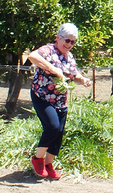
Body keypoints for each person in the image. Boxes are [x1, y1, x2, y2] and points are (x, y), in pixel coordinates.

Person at [29, 23, 92, 180]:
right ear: (58, 38)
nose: (69, 44)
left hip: (60, 100)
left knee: (58, 134)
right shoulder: (48, 50)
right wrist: (53, 68)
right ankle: (38, 159)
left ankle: (49, 165)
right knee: (52, 127)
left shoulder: (69, 57)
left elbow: (72, 75)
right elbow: (32, 56)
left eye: (73, 42)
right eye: (67, 40)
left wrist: (82, 80)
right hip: (42, 96)